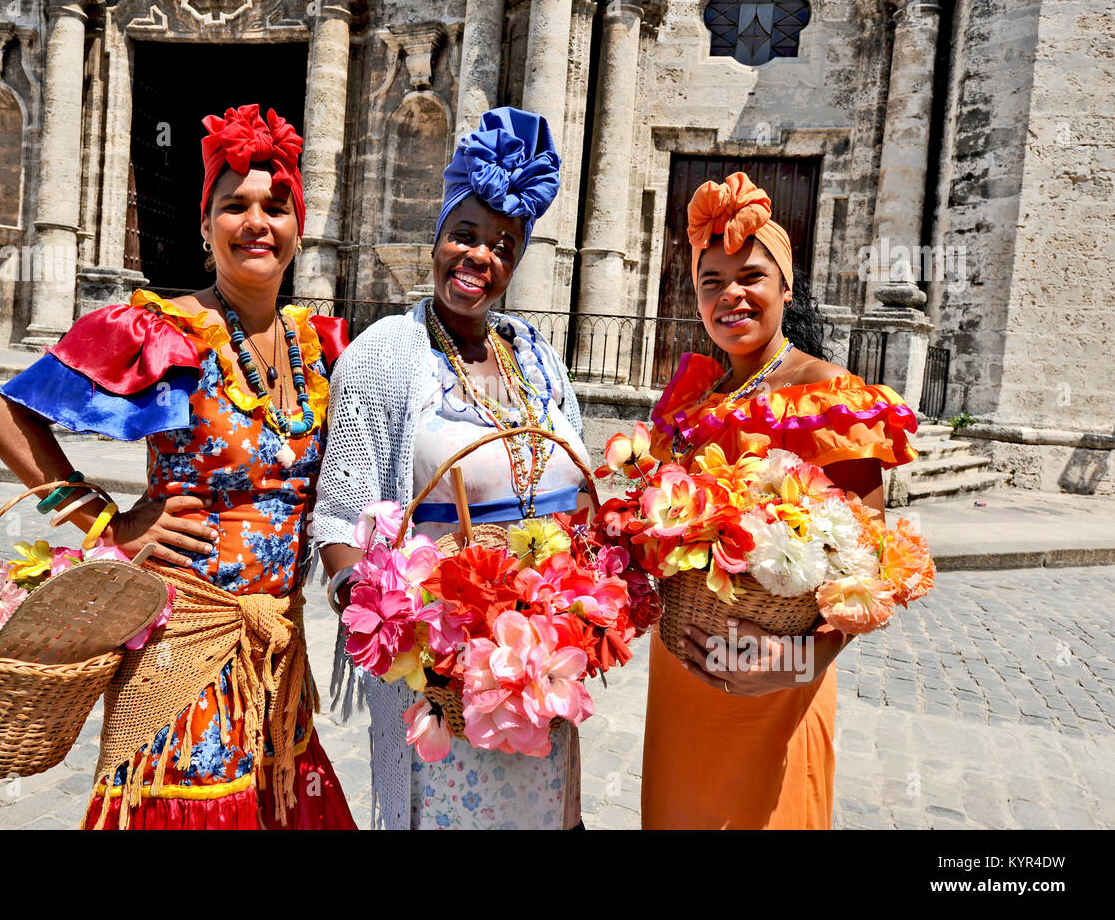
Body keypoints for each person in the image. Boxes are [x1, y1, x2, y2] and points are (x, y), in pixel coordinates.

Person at [0, 104, 356, 830]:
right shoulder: (164, 329)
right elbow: (3, 414)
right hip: (183, 645)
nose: (257, 222)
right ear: (207, 226)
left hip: (277, 653)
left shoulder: (322, 346)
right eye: (234, 205)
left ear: (298, 229)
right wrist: (107, 521)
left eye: (276, 207)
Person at [314, 107, 591, 829]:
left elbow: (577, 486)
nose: (481, 257)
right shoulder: (384, 355)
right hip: (437, 678)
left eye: (504, 245)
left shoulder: (535, 355)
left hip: (537, 666)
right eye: (465, 234)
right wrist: (419, 650)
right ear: (436, 237)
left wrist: (580, 608)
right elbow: (340, 521)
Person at [639, 172, 919, 829]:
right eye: (712, 281)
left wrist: (790, 664)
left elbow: (867, 577)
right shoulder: (691, 403)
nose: (730, 295)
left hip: (775, 695)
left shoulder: (830, 397)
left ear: (785, 288)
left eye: (751, 276)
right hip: (679, 680)